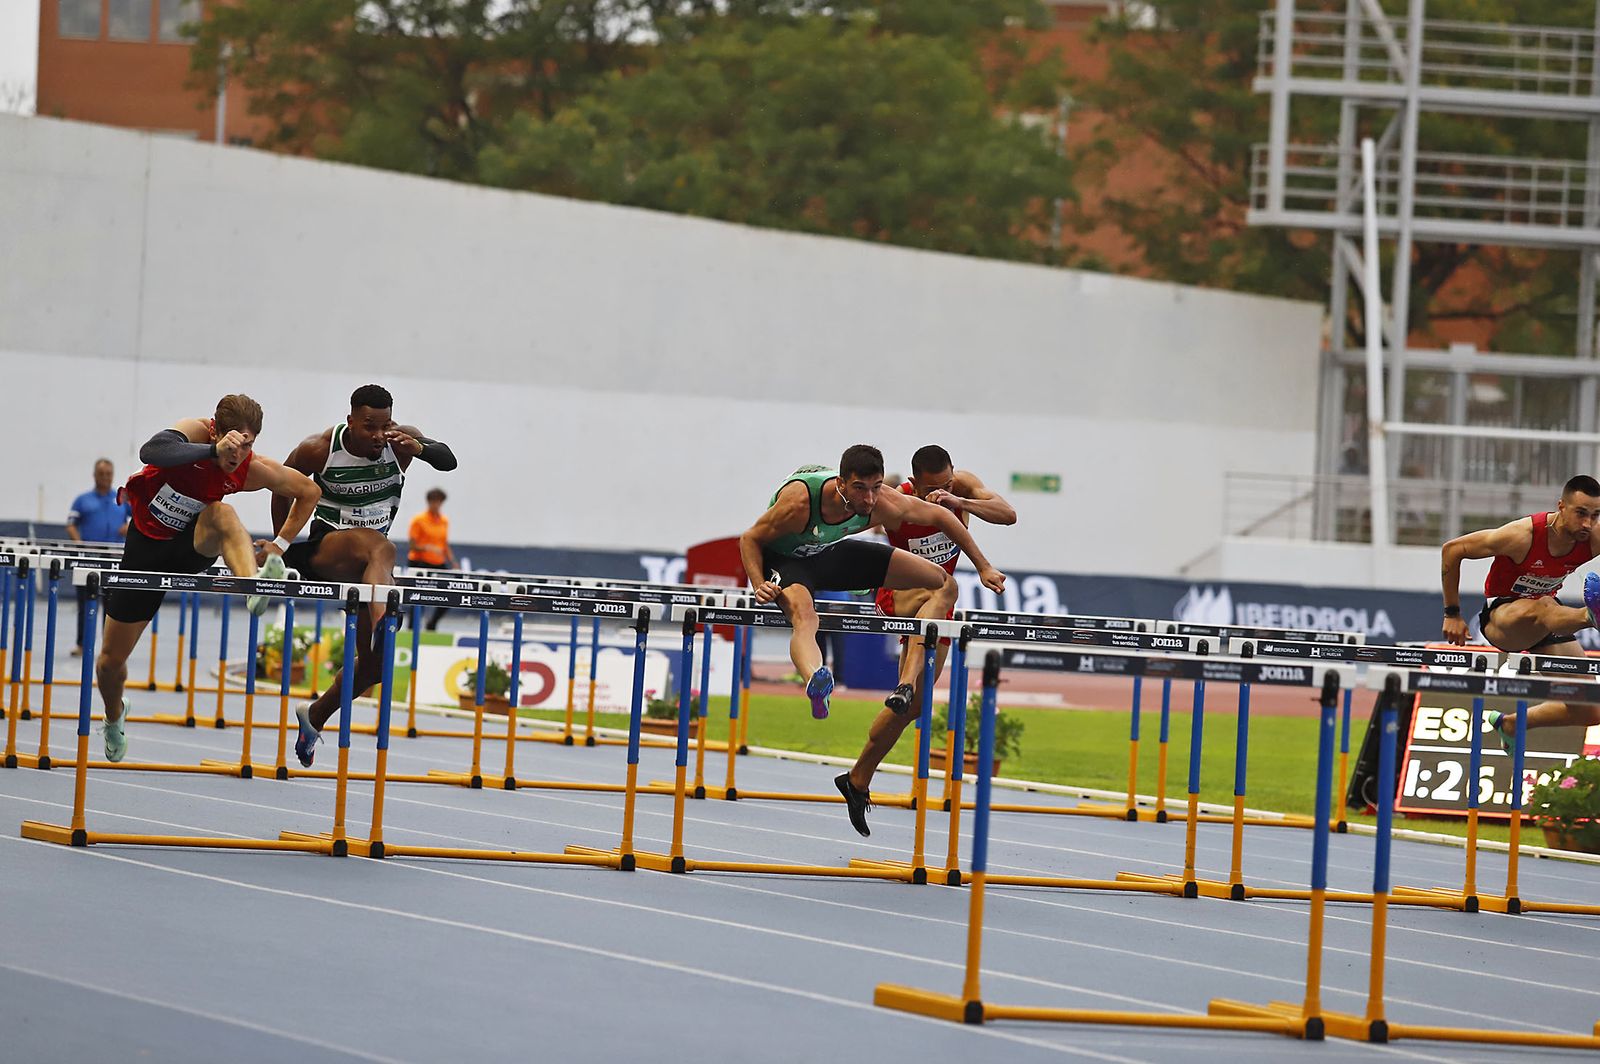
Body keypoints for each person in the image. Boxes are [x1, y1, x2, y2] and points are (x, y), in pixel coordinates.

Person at [738, 444, 1006, 837]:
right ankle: (818, 678)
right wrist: (758, 582)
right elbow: (750, 538)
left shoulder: (892, 500)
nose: (868, 499)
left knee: (944, 591)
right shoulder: (800, 502)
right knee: (805, 617)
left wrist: (983, 564)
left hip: (836, 558)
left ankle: (858, 777)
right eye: (860, 489)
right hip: (794, 564)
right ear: (841, 483)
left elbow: (961, 517)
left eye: (876, 488)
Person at [97, 395, 320, 763]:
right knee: (108, 664)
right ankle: (113, 715)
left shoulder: (249, 468)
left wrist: (280, 545)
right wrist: (212, 450)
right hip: (145, 552)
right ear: (215, 430)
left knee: (222, 512)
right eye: (233, 444)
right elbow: (151, 451)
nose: (237, 454)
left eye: (247, 445)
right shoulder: (195, 431)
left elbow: (309, 492)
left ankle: (253, 586)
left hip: (191, 548)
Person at [835, 445, 1016, 834]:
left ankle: (857, 778)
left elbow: (1007, 514)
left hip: (937, 605)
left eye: (947, 484)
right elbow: (844, 525)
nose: (941, 492)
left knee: (914, 706)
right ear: (915, 484)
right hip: (901, 594)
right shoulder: (896, 499)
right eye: (934, 489)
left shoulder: (961, 487)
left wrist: (958, 500)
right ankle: (904, 682)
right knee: (945, 586)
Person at [275, 384, 457, 767]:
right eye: (369, 427)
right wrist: (282, 544)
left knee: (375, 668)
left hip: (370, 573)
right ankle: (381, 622)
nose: (378, 435)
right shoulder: (320, 449)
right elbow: (281, 486)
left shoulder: (400, 443)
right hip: (327, 553)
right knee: (382, 546)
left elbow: (448, 461)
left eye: (384, 425)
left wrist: (419, 448)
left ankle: (315, 715)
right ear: (351, 421)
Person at [1441, 474, 1600, 751]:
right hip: (1503, 618)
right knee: (1546, 606)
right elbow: (1453, 549)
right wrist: (1452, 613)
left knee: (1591, 709)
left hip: (1547, 621)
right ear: (1561, 507)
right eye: (1581, 513)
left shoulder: (1592, 537)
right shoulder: (1521, 536)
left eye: (1595, 515)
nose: (1587, 523)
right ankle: (1590, 616)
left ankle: (1511, 724)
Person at [65, 458, 131, 656]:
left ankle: (107, 648)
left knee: (111, 606)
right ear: (94, 475)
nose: (105, 477)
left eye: (108, 474)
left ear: (113, 475)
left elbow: (140, 518)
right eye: (101, 474)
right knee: (85, 603)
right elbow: (71, 524)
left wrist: (129, 527)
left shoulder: (121, 499)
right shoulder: (82, 500)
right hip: (88, 558)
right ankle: (82, 644)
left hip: (114, 558)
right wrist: (79, 543)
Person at [406, 487, 456, 630]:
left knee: (450, 596)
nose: (436, 505)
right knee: (418, 597)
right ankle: (412, 629)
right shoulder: (419, 520)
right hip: (419, 562)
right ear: (428, 502)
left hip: (438, 562)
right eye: (434, 502)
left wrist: (452, 561)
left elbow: (444, 544)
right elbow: (412, 545)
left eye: (439, 502)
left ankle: (432, 623)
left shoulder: (444, 521)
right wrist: (427, 547)